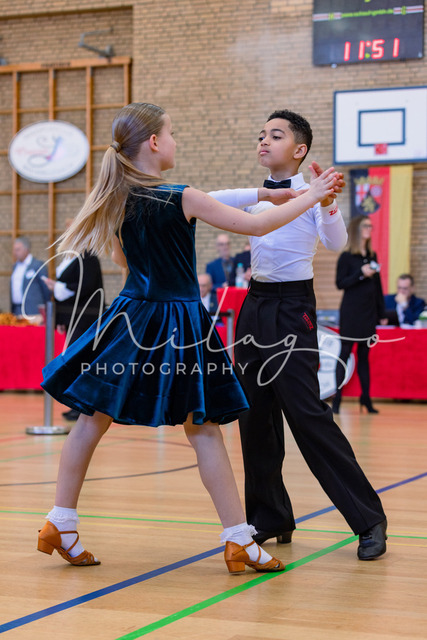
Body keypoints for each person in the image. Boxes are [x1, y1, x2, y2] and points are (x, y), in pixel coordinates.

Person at [37, 102, 338, 573]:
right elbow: (257, 224)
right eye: (173, 133)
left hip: (131, 315)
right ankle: (238, 539)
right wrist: (313, 193)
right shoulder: (181, 196)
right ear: (155, 143)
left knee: (93, 418)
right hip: (177, 321)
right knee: (204, 427)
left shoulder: (117, 198)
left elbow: (121, 261)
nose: (176, 141)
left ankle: (60, 521)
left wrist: (271, 193)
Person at [216, 109, 387, 561]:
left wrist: (325, 200)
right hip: (253, 308)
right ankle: (270, 518)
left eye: (275, 135)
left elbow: (335, 242)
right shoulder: (254, 198)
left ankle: (369, 519)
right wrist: (266, 194)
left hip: (293, 310)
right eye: (261, 135)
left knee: (307, 415)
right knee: (253, 416)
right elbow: (208, 202)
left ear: (300, 149)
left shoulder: (314, 196)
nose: (264, 141)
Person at [42, 219, 105, 421]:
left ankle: (83, 404)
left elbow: (84, 288)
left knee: (80, 360)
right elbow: (67, 292)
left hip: (85, 318)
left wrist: (57, 287)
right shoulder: (71, 256)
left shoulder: (88, 257)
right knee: (73, 360)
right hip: (72, 317)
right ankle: (75, 403)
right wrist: (60, 318)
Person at [333, 215, 387, 415]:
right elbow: (340, 283)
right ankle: (337, 399)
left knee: (365, 356)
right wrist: (361, 273)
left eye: (371, 226)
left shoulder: (372, 256)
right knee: (344, 354)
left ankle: (366, 399)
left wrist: (381, 312)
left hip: (368, 313)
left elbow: (378, 287)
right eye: (366, 226)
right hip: (351, 313)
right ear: (356, 229)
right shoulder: (347, 257)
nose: (369, 229)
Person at [10, 236, 50, 316]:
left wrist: (43, 308)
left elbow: (46, 290)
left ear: (26, 250)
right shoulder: (15, 266)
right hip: (17, 309)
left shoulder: (37, 265)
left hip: (33, 310)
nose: (15, 252)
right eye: (14, 250)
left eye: (18, 250)